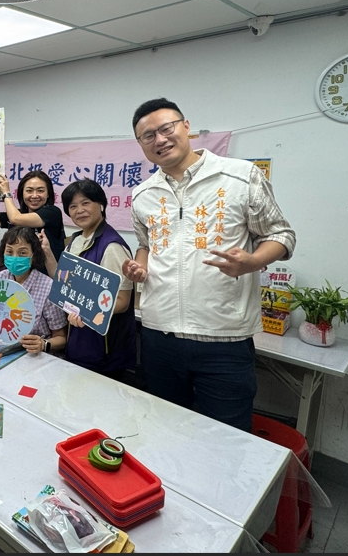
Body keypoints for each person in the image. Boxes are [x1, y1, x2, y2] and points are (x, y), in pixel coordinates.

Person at [123, 98, 296, 432]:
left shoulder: (239, 176)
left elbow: (281, 234)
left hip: (224, 340)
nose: (160, 140)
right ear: (141, 144)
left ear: (186, 127)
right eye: (148, 136)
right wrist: (139, 267)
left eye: (166, 128)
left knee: (226, 437)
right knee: (164, 429)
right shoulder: (142, 193)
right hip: (159, 335)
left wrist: (253, 262)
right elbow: (145, 244)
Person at [60, 180, 137, 380]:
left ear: (101, 204)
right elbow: (63, 282)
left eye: (86, 203)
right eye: (73, 206)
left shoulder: (111, 246)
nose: (79, 210)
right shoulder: (75, 241)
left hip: (104, 349)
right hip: (78, 341)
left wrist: (85, 311)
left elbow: (122, 302)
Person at [0, 226, 66, 353]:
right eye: (9, 252)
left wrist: (43, 344)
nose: (15, 257)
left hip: (33, 355)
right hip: (1, 350)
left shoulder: (47, 287)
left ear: (34, 256)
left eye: (22, 253)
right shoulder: (0, 278)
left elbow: (61, 337)